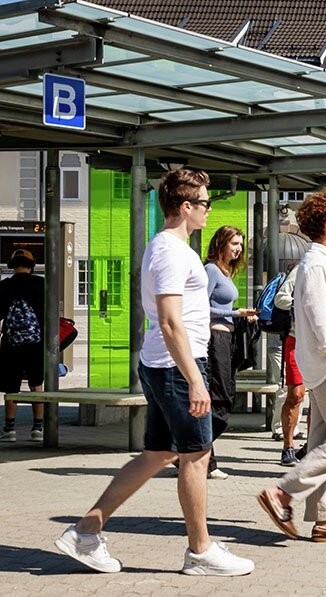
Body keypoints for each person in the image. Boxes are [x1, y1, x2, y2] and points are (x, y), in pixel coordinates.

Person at [54, 168, 254, 576]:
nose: (209, 209)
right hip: (177, 366)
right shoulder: (169, 251)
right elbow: (169, 320)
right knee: (196, 456)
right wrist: (195, 379)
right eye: (205, 202)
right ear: (186, 206)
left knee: (159, 454)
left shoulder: (176, 248)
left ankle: (85, 532)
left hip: (169, 364)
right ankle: (200, 552)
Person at [257, 186, 326, 543]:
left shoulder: (325, 262)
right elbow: (320, 316)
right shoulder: (317, 263)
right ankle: (282, 493)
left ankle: (325, 519)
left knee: (322, 440)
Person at [203, 226, 257, 479]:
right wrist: (235, 313)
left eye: (240, 245)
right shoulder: (211, 270)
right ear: (221, 243)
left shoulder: (225, 272)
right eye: (234, 243)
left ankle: (199, 455)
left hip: (227, 339)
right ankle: (193, 450)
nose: (238, 249)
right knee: (220, 398)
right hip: (215, 339)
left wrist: (242, 317)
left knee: (224, 398)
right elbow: (201, 306)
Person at [1, 249, 45, 442]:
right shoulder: (41, 284)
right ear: (31, 265)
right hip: (36, 343)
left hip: (11, 344)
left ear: (13, 265)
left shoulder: (5, 286)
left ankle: (9, 429)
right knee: (36, 385)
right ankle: (38, 428)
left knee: (12, 387)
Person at [273, 262, 308, 467]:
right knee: (295, 394)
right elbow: (281, 299)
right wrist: (303, 302)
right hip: (297, 340)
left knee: (320, 400)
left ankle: (313, 446)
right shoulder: (303, 268)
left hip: (324, 345)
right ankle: (288, 446)